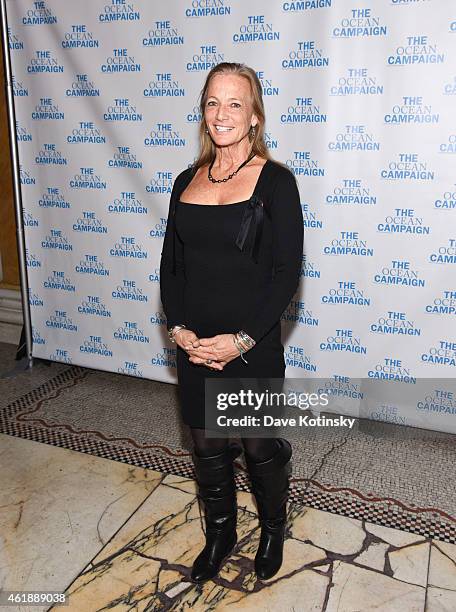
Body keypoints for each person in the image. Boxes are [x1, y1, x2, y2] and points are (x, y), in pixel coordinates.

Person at [159, 62, 304, 583]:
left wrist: (240, 341)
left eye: (234, 104)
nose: (222, 114)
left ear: (255, 117)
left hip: (253, 344)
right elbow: (170, 265)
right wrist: (178, 329)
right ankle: (219, 532)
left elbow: (287, 274)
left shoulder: (277, 183)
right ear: (203, 112)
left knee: (258, 445)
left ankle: (271, 529)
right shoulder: (185, 181)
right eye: (212, 103)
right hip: (195, 346)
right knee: (206, 445)